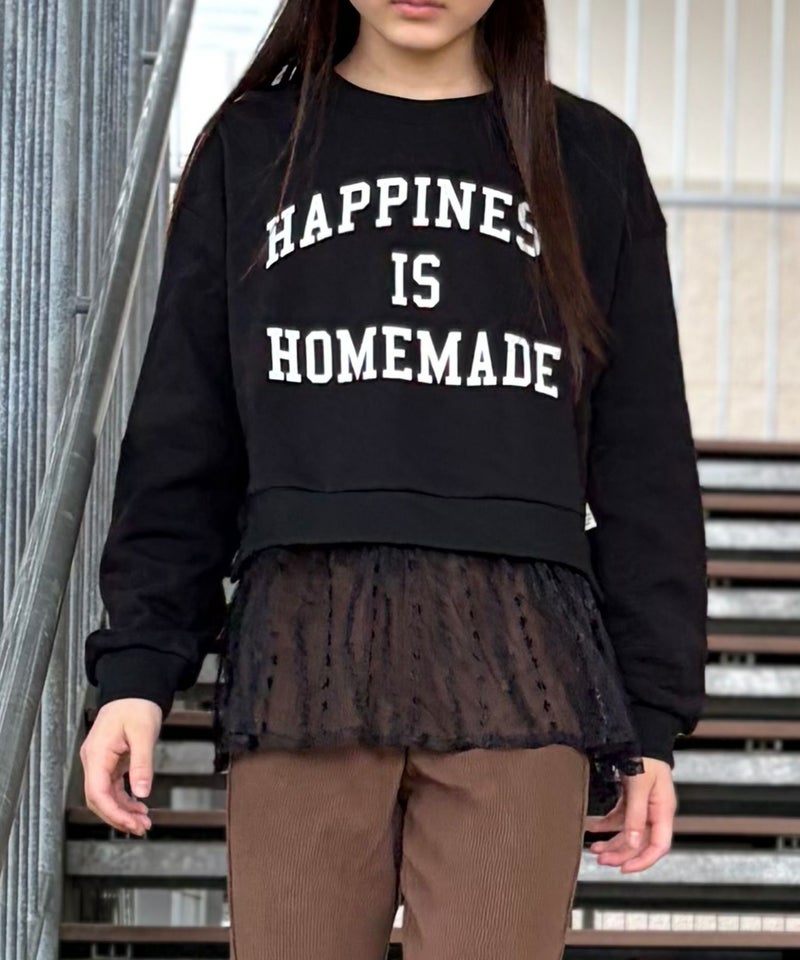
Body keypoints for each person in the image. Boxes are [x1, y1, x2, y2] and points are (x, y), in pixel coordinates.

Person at [79, 1, 708, 957]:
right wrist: (137, 669)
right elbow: (184, 432)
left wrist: (651, 718)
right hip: (305, 652)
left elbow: (645, 455)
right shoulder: (253, 146)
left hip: (520, 662)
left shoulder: (589, 156)